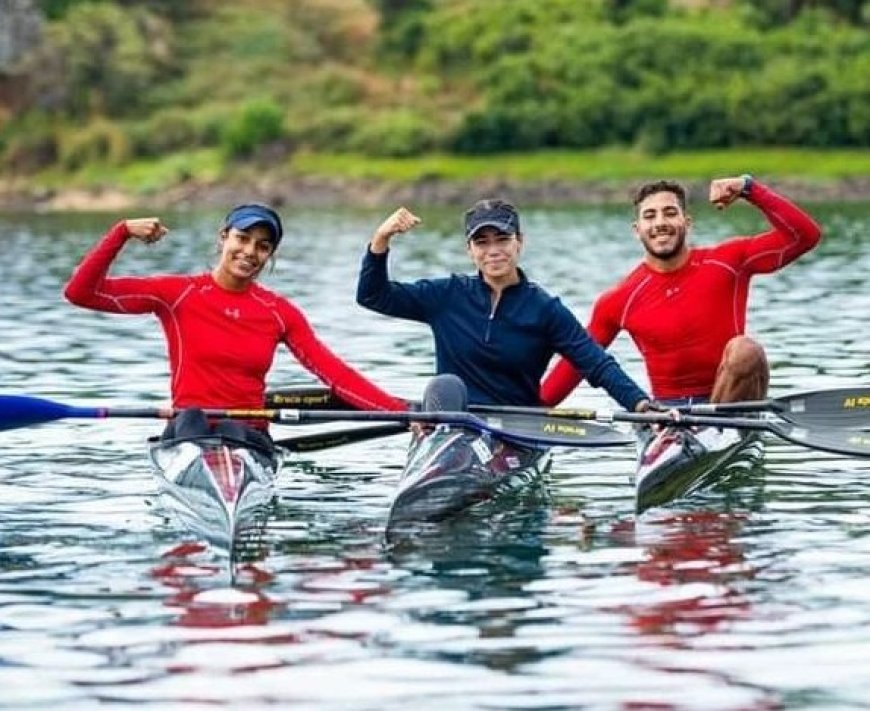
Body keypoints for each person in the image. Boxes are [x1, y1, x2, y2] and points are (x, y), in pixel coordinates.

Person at [64, 203, 406, 451]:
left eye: (263, 246)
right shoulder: (176, 293)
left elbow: (335, 375)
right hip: (188, 432)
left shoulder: (279, 312)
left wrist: (400, 414)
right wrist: (121, 232)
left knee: (235, 430)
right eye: (242, 238)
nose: (249, 252)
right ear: (223, 238)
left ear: (270, 255)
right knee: (193, 420)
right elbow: (80, 292)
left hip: (248, 437)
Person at [540, 176, 822, 408]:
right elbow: (579, 361)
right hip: (668, 416)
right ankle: (687, 445)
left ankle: (714, 433)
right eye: (650, 216)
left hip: (735, 405)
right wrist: (534, 411)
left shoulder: (728, 261)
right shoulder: (619, 300)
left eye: (670, 212)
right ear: (637, 231)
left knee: (746, 350)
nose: (660, 222)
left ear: (686, 223)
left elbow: (805, 236)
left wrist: (749, 188)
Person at [356, 198, 652, 413]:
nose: (493, 250)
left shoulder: (545, 310)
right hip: (453, 426)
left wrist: (640, 405)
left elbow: (596, 363)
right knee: (444, 385)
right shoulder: (446, 295)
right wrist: (381, 239)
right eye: (482, 242)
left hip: (516, 430)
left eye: (502, 239)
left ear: (519, 242)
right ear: (469, 250)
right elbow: (372, 296)